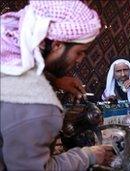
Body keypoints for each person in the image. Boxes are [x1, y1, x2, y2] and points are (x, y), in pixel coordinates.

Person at [0, 1, 114, 170]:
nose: (81, 59)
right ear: (57, 45)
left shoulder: (7, 41)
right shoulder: (36, 103)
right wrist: (89, 155)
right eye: (79, 52)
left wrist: (54, 79)